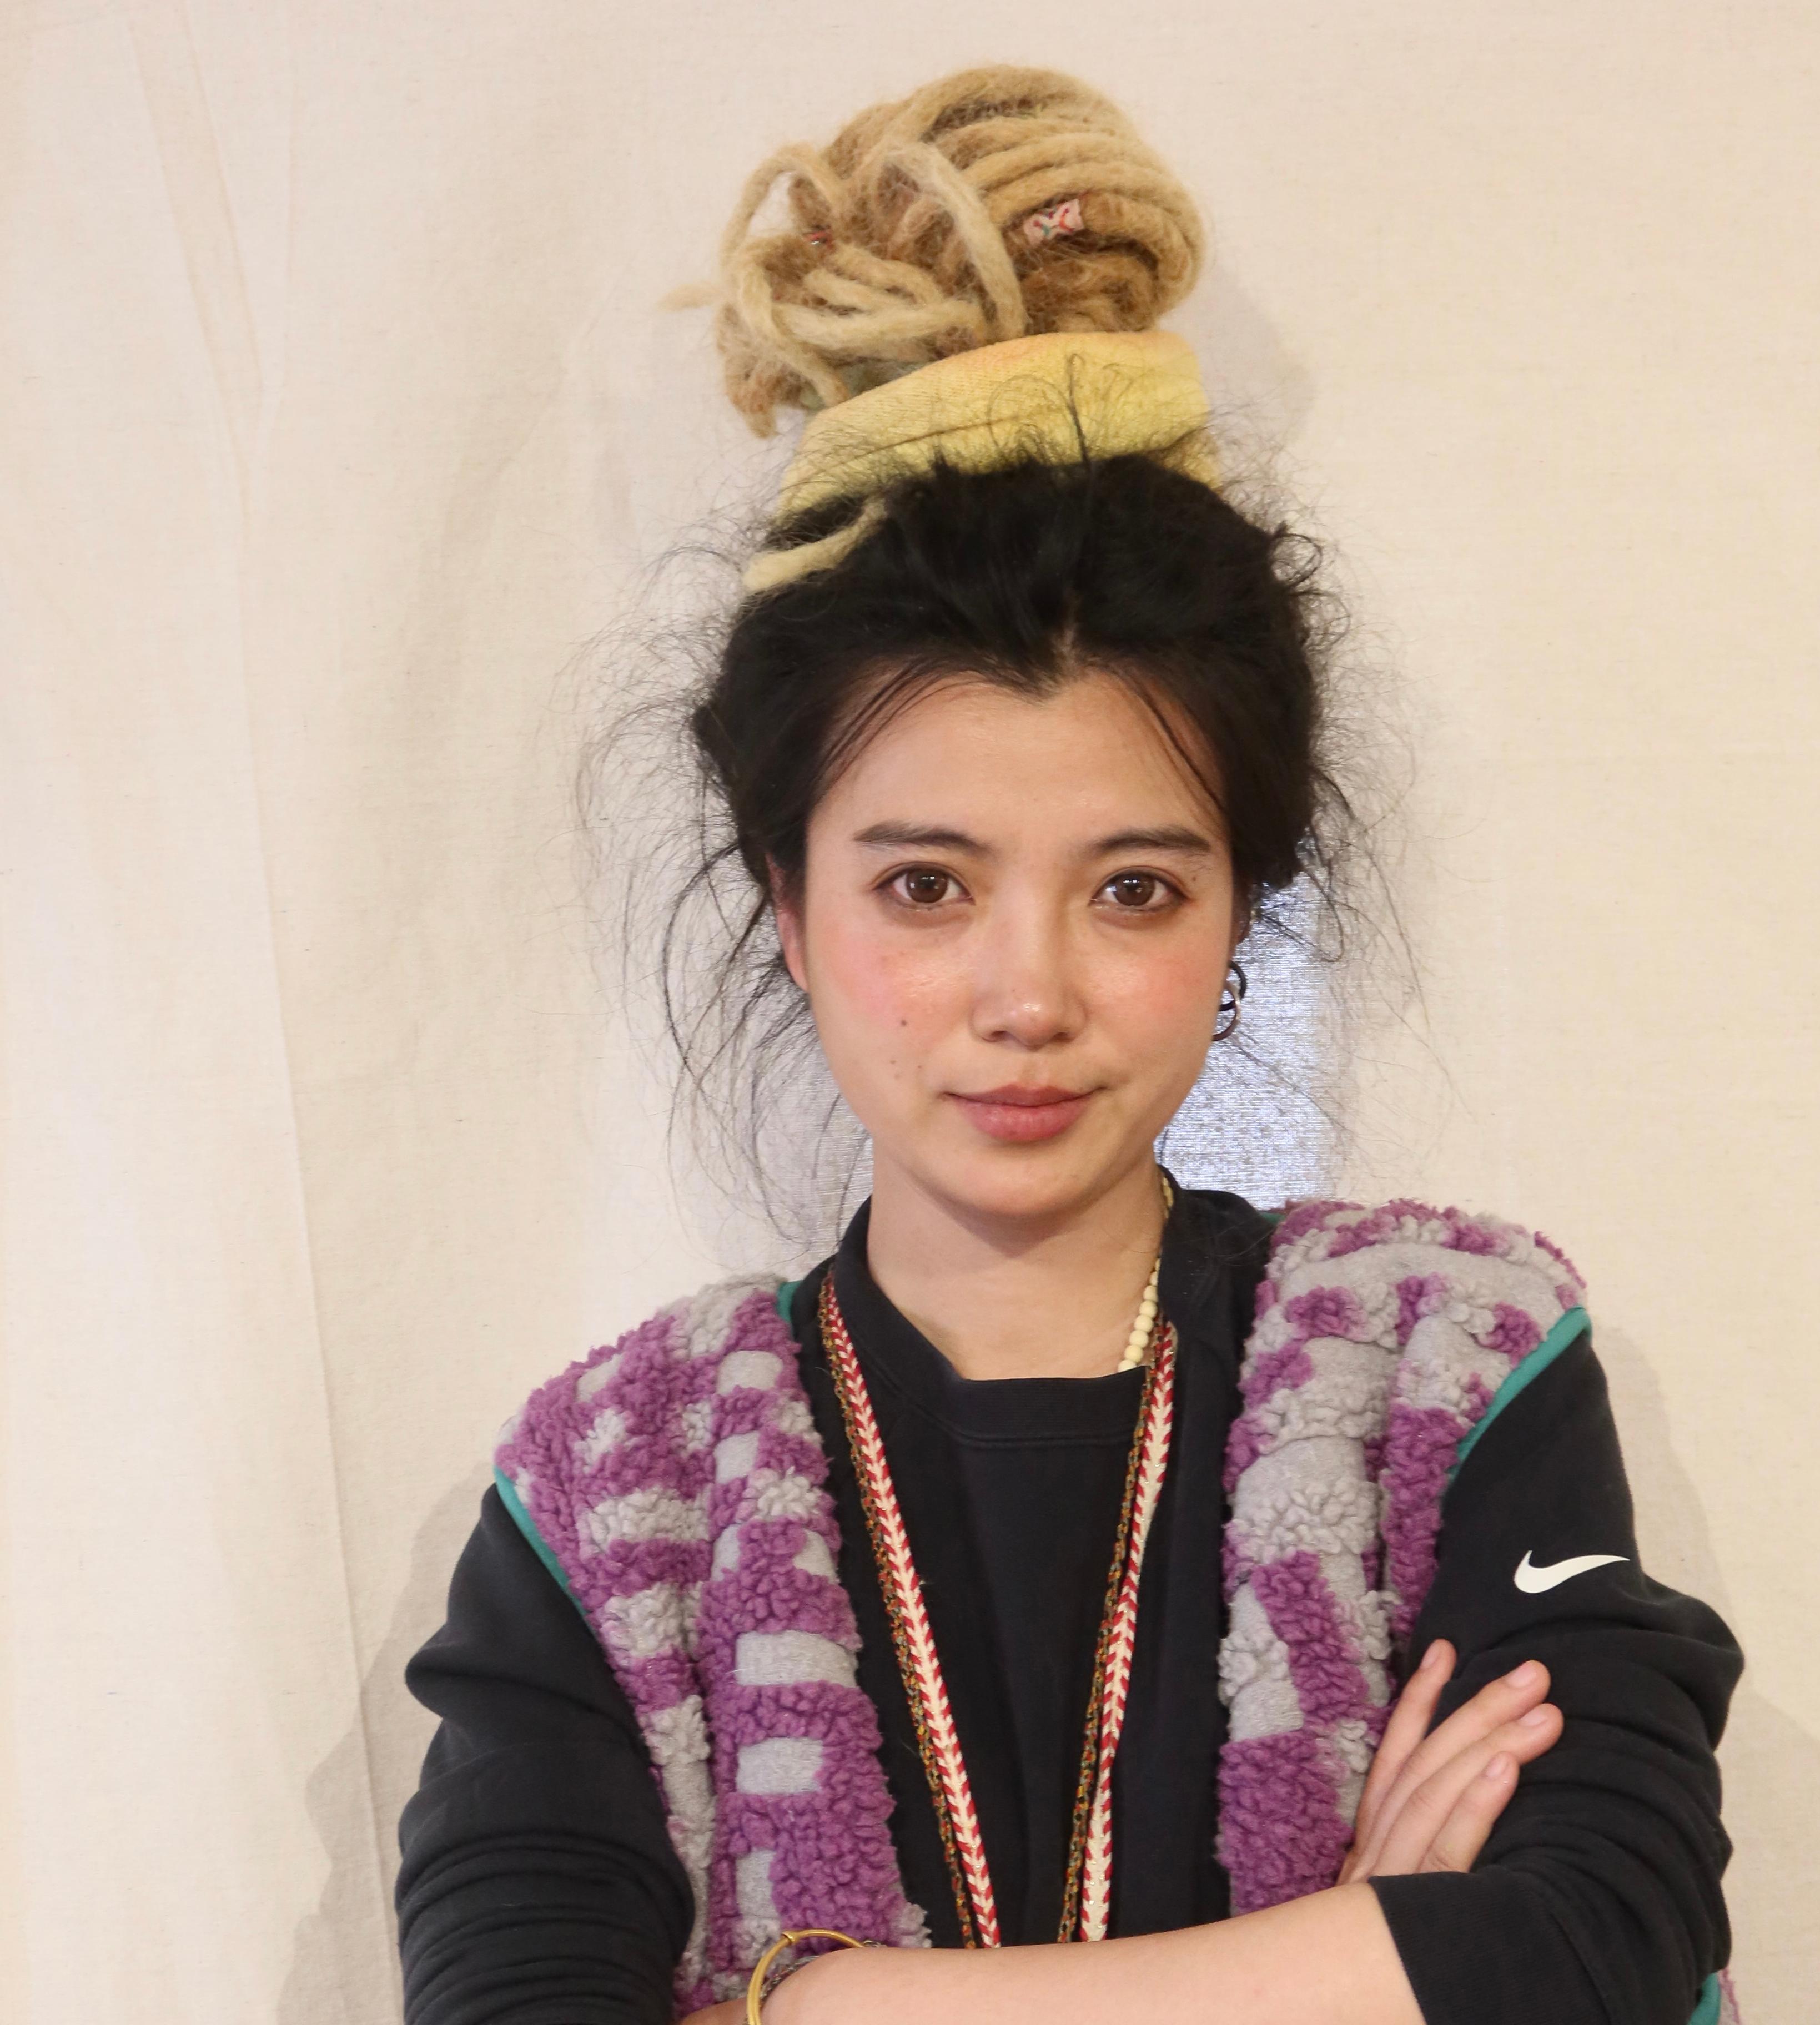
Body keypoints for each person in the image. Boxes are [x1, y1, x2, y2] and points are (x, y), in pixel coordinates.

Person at [393, 66, 1743, 2025]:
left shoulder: (1447, 1372)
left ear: (1241, 908)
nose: (1028, 995)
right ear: (789, 906)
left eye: (1131, 888)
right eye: (925, 886)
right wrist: (1364, 1965)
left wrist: (795, 2005)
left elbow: (1594, 1942)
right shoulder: (626, 1498)